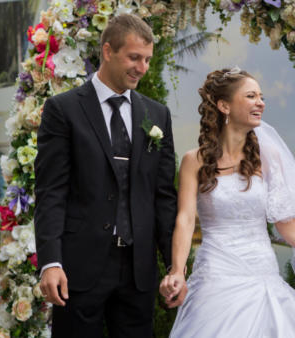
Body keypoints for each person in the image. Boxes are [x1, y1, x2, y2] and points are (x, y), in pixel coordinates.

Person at [159, 68, 295, 337]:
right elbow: (184, 219)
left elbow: (283, 217)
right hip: (215, 275)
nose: (260, 103)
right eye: (251, 96)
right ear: (224, 105)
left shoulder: (269, 156)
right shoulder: (193, 160)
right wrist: (178, 271)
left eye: (261, 97)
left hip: (262, 271)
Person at [34, 14, 179, 337]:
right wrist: (51, 261)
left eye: (147, 59)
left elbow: (164, 197)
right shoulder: (63, 109)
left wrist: (174, 266)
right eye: (134, 57)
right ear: (108, 51)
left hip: (138, 270)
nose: (142, 68)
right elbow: (51, 193)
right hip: (79, 267)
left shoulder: (157, 115)